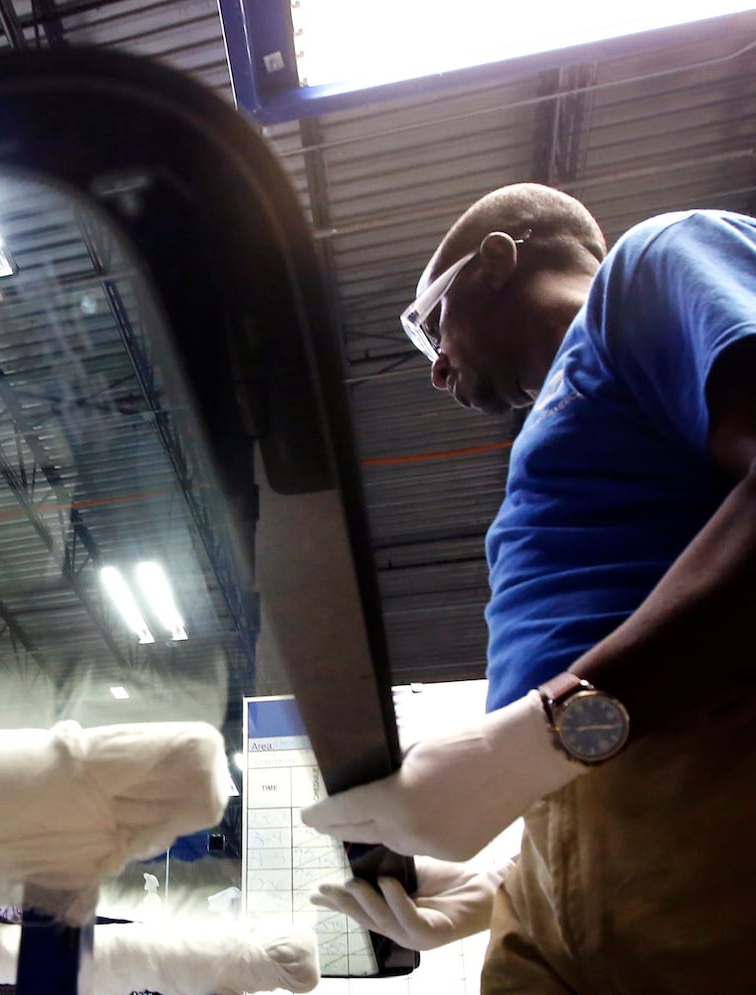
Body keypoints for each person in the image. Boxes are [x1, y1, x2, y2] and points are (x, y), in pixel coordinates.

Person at [300, 184, 756, 992]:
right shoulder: (558, 438)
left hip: (697, 783)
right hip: (565, 840)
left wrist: (540, 741)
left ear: (499, 260)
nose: (436, 368)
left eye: (432, 324)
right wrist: (514, 875)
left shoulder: (653, 265)